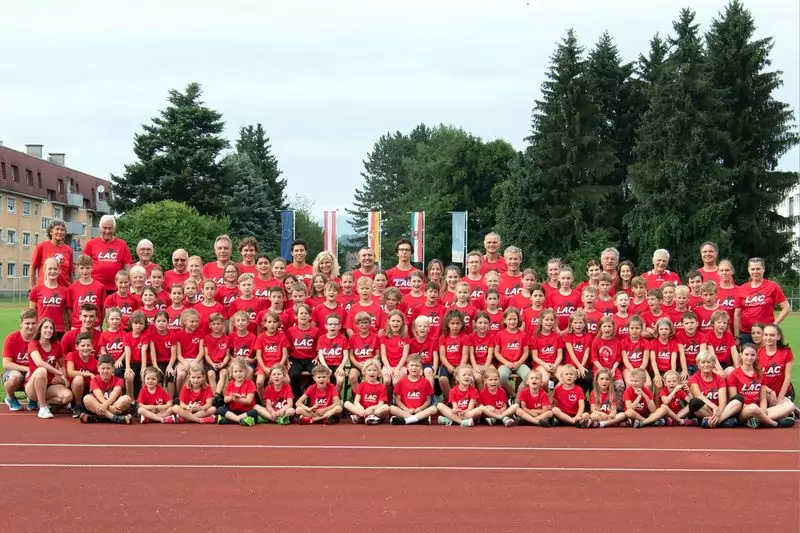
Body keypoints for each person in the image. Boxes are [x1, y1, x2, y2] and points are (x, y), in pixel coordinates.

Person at [727, 344, 795, 428]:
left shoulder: (760, 374)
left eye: (752, 355)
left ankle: (756, 420)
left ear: (756, 356)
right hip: (744, 411)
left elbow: (763, 399)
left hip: (759, 409)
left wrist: (762, 411)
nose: (749, 357)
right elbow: (735, 400)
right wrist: (758, 411)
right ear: (741, 355)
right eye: (746, 354)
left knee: (790, 405)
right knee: (753, 408)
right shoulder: (734, 375)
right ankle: (775, 423)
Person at [735, 258, 790, 345]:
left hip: (766, 334)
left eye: (758, 268)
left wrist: (773, 325)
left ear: (763, 269)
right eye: (752, 269)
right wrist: (737, 336)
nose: (755, 272)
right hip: (746, 334)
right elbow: (737, 315)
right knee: (747, 358)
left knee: (766, 358)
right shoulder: (742, 289)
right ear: (748, 270)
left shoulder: (772, 286)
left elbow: (786, 308)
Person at [25, 318, 72, 419]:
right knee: (42, 371)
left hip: (50, 385)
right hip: (33, 385)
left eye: (51, 328)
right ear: (40, 330)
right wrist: (58, 373)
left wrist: (63, 379)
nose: (49, 330)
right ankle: (42, 408)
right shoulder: (33, 344)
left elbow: (62, 365)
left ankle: (43, 401)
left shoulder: (57, 345)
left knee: (67, 396)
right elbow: (39, 363)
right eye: (45, 327)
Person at [687, 349, 739, 428]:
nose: (706, 365)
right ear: (698, 365)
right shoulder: (693, 378)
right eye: (703, 362)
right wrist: (714, 407)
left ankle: (715, 421)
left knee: (738, 399)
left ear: (714, 363)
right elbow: (698, 395)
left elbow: (722, 402)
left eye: (709, 362)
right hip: (702, 411)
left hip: (719, 412)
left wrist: (718, 412)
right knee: (694, 402)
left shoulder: (720, 379)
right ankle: (722, 422)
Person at [83, 215, 133, 294]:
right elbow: (83, 265)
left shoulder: (122, 244)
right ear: (100, 228)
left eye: (110, 228)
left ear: (114, 229)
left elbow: (127, 266)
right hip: (94, 287)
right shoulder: (91, 244)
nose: (107, 231)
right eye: (105, 228)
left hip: (116, 288)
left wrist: (128, 284)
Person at [3, 309, 39, 410]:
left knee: (38, 374)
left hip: (32, 372)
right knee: (15, 377)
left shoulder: (39, 339)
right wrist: (28, 369)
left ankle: (33, 398)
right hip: (14, 372)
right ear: (21, 323)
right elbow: (6, 364)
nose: (31, 326)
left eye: (33, 323)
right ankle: (10, 397)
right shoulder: (12, 338)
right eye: (27, 323)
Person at [80, 354, 131, 424]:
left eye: (108, 368)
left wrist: (106, 406)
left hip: (112, 405)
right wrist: (110, 408)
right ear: (98, 368)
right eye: (103, 368)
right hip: (99, 405)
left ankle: (97, 418)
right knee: (87, 398)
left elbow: (114, 395)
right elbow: (99, 397)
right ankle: (115, 418)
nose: (105, 371)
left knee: (126, 398)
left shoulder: (119, 380)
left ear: (113, 368)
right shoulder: (94, 380)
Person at [389, 354, 438, 425]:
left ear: (421, 367)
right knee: (391, 408)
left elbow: (428, 401)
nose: (414, 367)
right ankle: (419, 419)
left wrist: (420, 409)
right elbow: (397, 400)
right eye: (411, 365)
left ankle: (406, 420)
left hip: (420, 411)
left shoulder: (425, 382)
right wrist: (407, 409)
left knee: (434, 409)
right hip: (406, 411)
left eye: (417, 365)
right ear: (407, 367)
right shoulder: (402, 381)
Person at [216, 357, 265, 426]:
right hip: (233, 411)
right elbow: (225, 400)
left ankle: (230, 420)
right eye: (236, 371)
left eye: (240, 371)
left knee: (254, 412)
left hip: (245, 411)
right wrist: (232, 397)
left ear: (246, 371)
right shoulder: (230, 384)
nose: (238, 374)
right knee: (220, 409)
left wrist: (238, 399)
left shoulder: (250, 383)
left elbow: (248, 401)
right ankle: (240, 420)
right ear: (232, 373)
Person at [29, 257, 70, 339]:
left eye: (55, 269)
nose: (52, 271)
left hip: (59, 330)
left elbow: (66, 314)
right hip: (42, 329)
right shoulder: (36, 289)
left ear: (59, 271)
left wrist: (68, 329)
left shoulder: (65, 291)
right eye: (50, 269)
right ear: (44, 270)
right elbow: (32, 313)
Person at [494, 307, 529, 396]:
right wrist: (506, 362)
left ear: (518, 320)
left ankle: (519, 397)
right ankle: (512, 395)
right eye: (509, 319)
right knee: (501, 377)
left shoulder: (523, 335)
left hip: (520, 364)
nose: (512, 322)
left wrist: (519, 362)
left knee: (529, 377)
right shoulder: (500, 334)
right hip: (505, 364)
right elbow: (496, 352)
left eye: (514, 319)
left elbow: (526, 352)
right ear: (505, 320)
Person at [30, 218, 74, 288]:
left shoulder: (69, 250)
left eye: (62, 230)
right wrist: (32, 289)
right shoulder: (41, 246)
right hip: (45, 290)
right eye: (57, 229)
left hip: (64, 290)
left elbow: (70, 273)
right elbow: (32, 267)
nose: (60, 232)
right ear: (51, 231)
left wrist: (71, 289)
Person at [758, 324, 795, 404]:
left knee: (787, 406)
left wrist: (780, 398)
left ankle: (790, 409)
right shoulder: (758, 352)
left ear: (778, 337)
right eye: (766, 335)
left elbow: (788, 376)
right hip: (766, 392)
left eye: (772, 335)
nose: (768, 338)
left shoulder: (786, 352)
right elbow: (758, 378)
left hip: (784, 393)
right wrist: (770, 392)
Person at [344, 359, 389, 425]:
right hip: (363, 410)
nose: (372, 372)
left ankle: (361, 417)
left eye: (374, 370)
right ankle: (365, 416)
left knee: (386, 407)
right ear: (365, 372)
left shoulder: (382, 386)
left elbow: (380, 404)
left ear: (379, 373)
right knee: (346, 403)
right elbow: (356, 401)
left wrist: (371, 408)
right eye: (369, 370)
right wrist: (361, 409)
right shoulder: (361, 385)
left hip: (374, 410)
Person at [438, 310, 470, 400]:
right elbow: (442, 356)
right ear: (448, 324)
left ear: (461, 324)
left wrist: (460, 368)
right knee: (442, 379)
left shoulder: (464, 337)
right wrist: (449, 366)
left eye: (457, 323)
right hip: (447, 365)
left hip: (460, 365)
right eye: (452, 323)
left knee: (466, 379)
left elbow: (465, 355)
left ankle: (463, 400)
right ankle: (450, 401)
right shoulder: (443, 337)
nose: (455, 326)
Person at [66, 254, 106, 328]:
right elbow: (69, 309)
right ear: (77, 268)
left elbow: (103, 308)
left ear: (92, 268)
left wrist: (99, 322)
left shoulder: (100, 287)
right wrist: (73, 322)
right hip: (77, 326)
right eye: (82, 268)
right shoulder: (72, 288)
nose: (85, 271)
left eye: (87, 268)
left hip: (94, 325)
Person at [316, 314, 350, 395]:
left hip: (338, 365)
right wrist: (326, 367)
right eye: (330, 324)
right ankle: (326, 398)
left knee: (340, 380)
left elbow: (346, 356)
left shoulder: (343, 338)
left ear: (339, 326)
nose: (333, 326)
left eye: (335, 324)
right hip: (325, 364)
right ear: (326, 326)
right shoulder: (321, 338)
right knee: (326, 380)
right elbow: (320, 355)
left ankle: (335, 397)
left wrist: (341, 367)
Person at [529, 308, 563, 387]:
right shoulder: (535, 337)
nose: (549, 322)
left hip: (555, 363)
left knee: (564, 379)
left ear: (554, 322)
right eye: (546, 319)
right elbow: (535, 357)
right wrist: (545, 365)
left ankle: (552, 398)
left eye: (551, 320)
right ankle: (543, 398)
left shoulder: (557, 336)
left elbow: (560, 355)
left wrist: (555, 365)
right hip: (541, 364)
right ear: (541, 321)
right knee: (544, 381)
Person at [201, 313, 231, 396]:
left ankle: (217, 395)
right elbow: (206, 355)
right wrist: (212, 364)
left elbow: (227, 355)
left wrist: (223, 364)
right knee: (210, 374)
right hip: (210, 363)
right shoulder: (206, 338)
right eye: (213, 324)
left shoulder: (227, 339)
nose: (216, 326)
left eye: (218, 324)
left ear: (222, 325)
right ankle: (214, 396)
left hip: (222, 362)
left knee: (224, 373)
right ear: (210, 325)